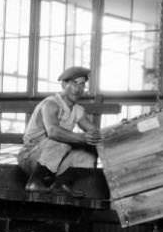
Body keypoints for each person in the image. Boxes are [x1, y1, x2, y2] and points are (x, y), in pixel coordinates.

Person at [18, 65, 102, 196]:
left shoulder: (78, 110)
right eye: (75, 84)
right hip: (31, 157)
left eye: (82, 85)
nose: (78, 89)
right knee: (62, 141)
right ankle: (34, 183)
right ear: (64, 85)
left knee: (88, 154)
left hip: (53, 160)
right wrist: (82, 138)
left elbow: (95, 133)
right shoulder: (51, 104)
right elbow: (53, 132)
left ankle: (60, 184)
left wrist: (119, 129)